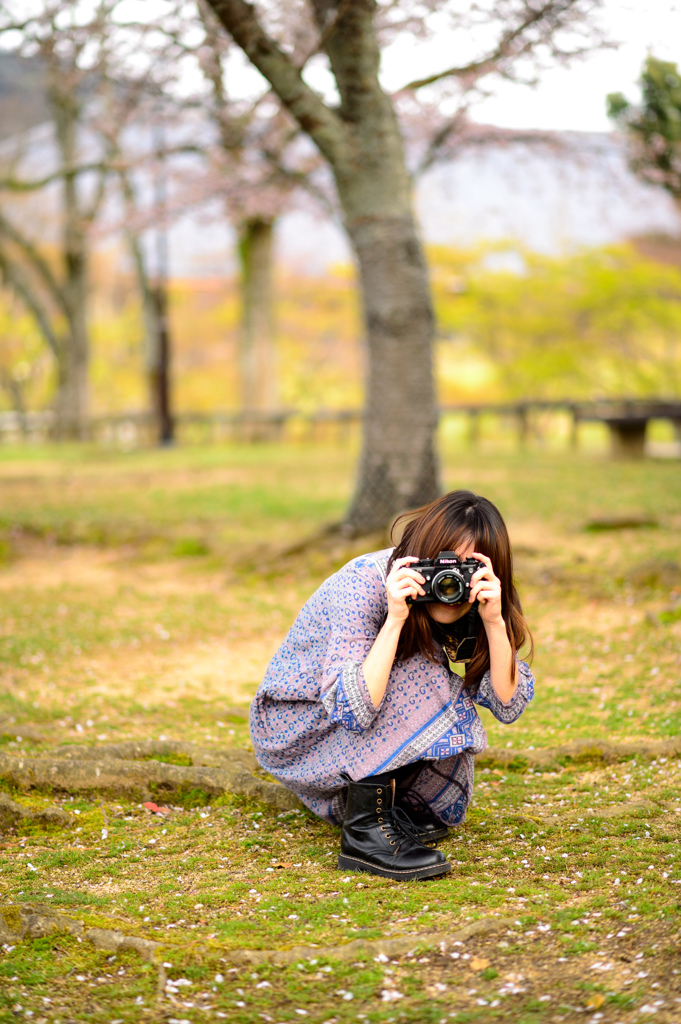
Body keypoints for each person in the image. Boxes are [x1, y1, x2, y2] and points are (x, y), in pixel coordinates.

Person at [249, 489, 535, 880]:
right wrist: (396, 618)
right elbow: (351, 709)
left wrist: (494, 621)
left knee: (427, 678)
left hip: (349, 733)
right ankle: (364, 836)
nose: (451, 582)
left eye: (469, 568)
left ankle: (381, 810)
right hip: (298, 727)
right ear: (419, 553)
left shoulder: (481, 602)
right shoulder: (362, 583)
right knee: (420, 671)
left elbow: (508, 705)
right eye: (443, 564)